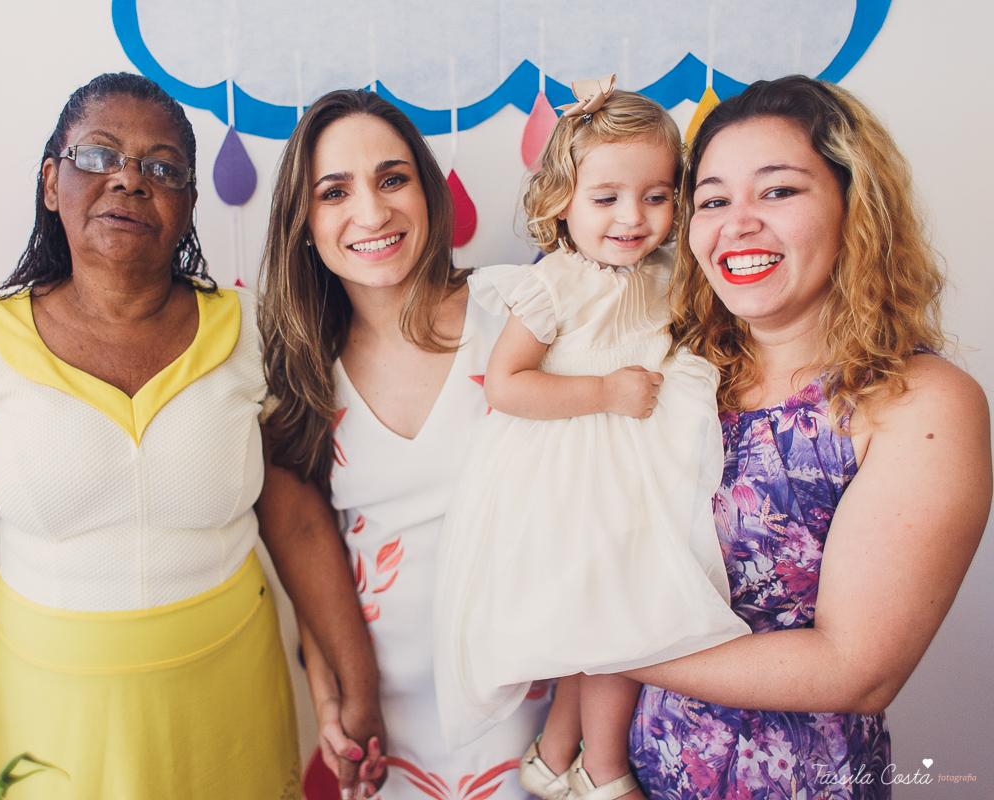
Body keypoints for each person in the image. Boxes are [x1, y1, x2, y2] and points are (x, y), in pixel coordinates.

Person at [0, 73, 382, 799]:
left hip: (228, 699)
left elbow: (298, 522)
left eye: (162, 167)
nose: (129, 180)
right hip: (48, 718)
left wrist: (359, 685)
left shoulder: (251, 329)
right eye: (98, 156)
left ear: (188, 205)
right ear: (50, 183)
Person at [624, 75, 990, 800]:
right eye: (713, 201)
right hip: (634, 776)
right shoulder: (673, 375)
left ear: (857, 208)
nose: (738, 224)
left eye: (779, 191)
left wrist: (589, 643)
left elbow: (856, 670)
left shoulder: (920, 403)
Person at [433, 77, 750, 800]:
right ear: (561, 203)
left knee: (599, 620)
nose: (632, 217)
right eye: (606, 198)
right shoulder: (555, 285)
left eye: (656, 196)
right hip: (574, 473)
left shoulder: (668, 272)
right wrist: (605, 392)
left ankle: (554, 756)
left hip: (641, 462)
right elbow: (506, 385)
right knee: (618, 619)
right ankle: (603, 766)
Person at [260, 89, 550, 800]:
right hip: (386, 730)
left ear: (427, 193)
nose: (371, 212)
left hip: (537, 711)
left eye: (392, 179)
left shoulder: (519, 314)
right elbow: (312, 552)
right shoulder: (300, 370)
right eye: (335, 192)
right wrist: (330, 697)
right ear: (305, 223)